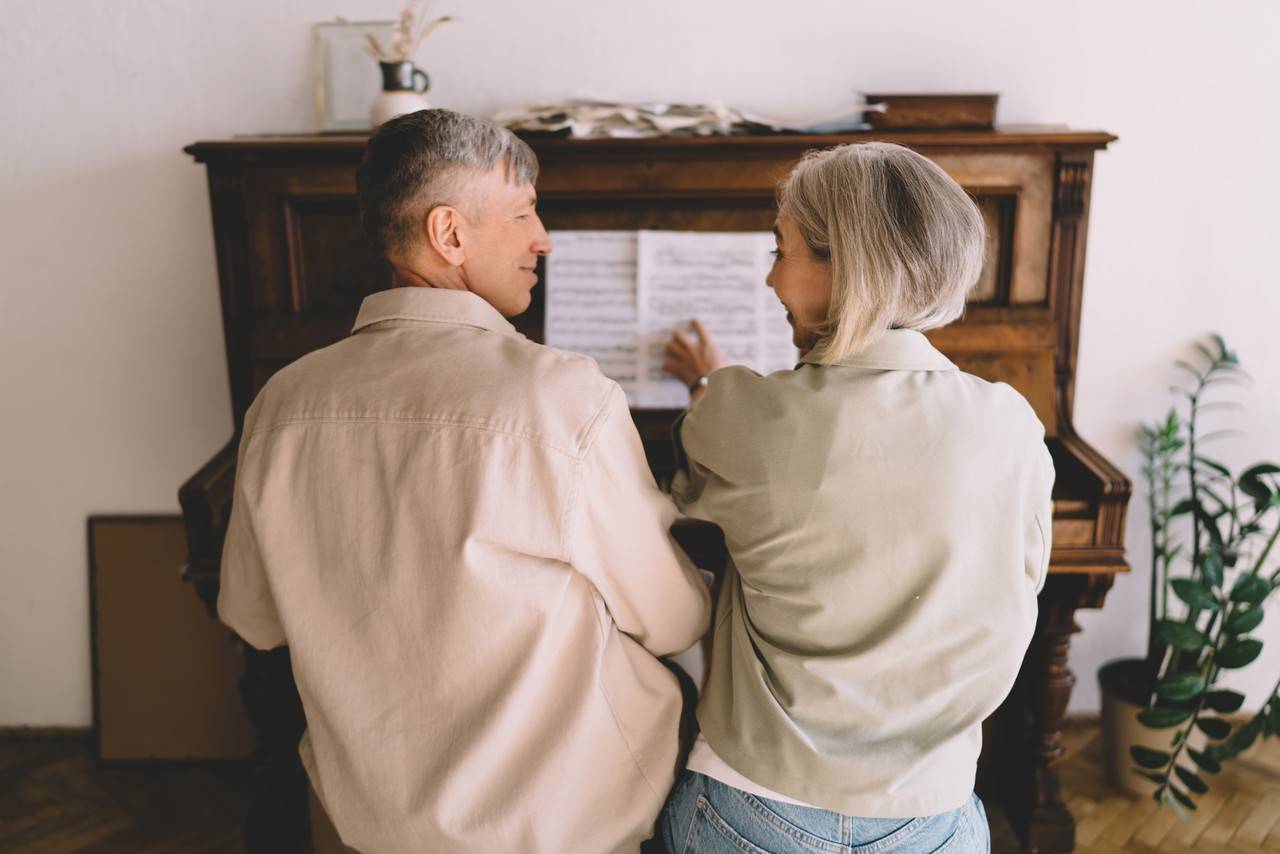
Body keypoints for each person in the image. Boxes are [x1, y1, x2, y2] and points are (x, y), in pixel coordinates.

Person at [217, 109, 711, 854]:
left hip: (373, 817)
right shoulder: (564, 395)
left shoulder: (280, 402)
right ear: (449, 234)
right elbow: (675, 619)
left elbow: (254, 620)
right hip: (561, 821)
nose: (543, 238)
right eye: (523, 213)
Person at [658, 142, 1054, 853]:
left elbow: (688, 489)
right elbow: (1021, 589)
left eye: (781, 250)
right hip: (931, 818)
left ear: (845, 263)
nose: (771, 279)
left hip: (752, 807)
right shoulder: (1012, 421)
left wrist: (709, 387)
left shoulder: (738, 413)